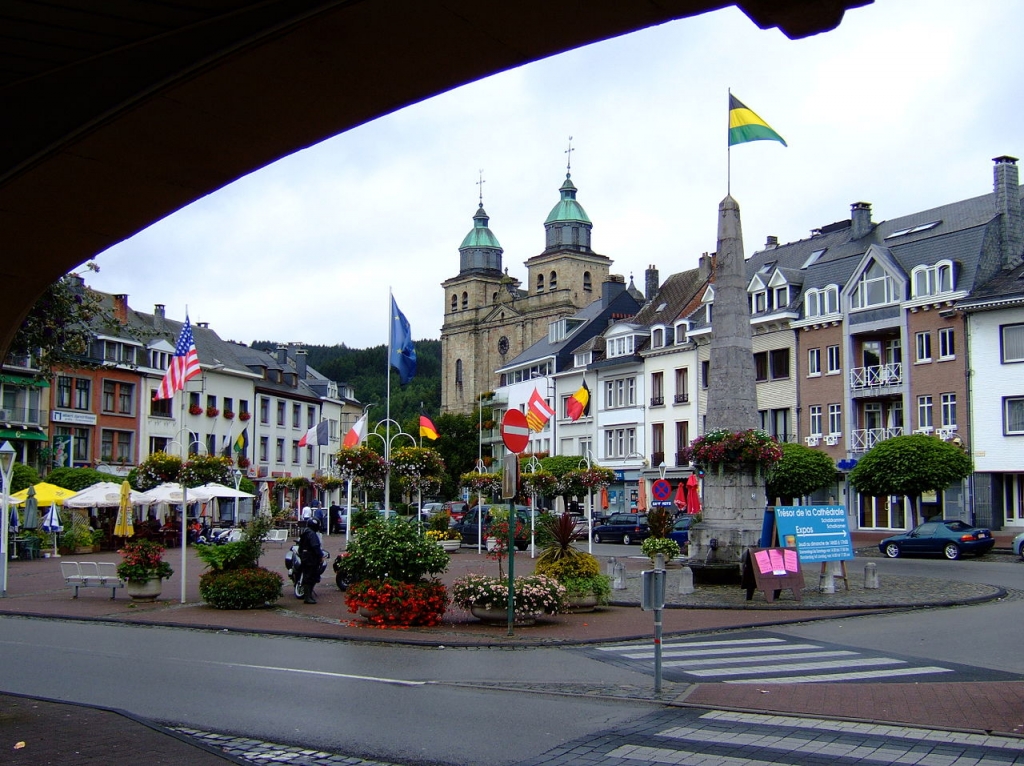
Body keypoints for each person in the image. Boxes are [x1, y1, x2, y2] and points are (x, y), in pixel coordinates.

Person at [296, 517, 323, 604]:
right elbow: (315, 546)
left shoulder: (305, 532)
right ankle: (308, 597)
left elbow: (300, 547)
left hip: (305, 557)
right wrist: (320, 555)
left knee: (308, 576)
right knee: (310, 577)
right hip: (311, 559)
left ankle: (308, 596)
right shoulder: (311, 534)